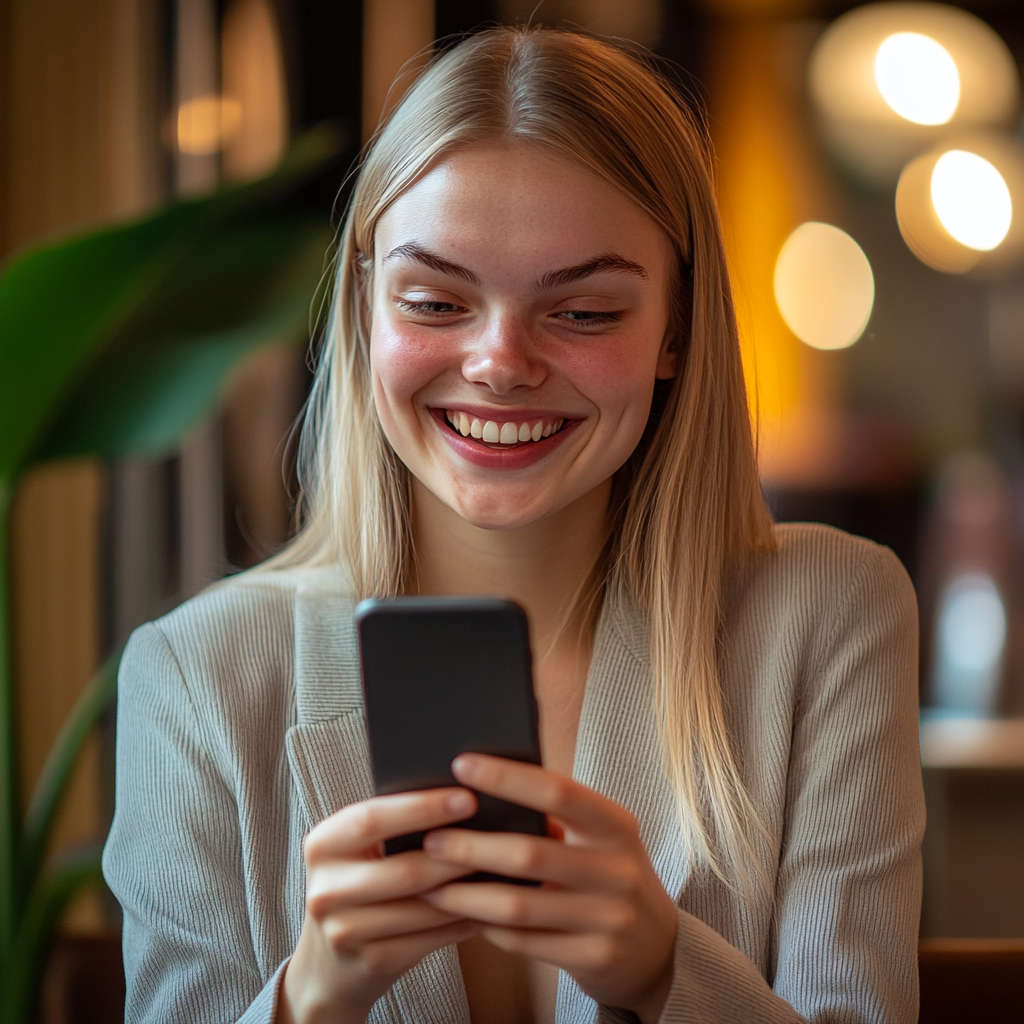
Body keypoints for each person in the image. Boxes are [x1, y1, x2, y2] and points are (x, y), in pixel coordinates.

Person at [102, 26, 925, 1024]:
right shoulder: (194, 675)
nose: (499, 362)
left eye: (582, 313)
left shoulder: (829, 614)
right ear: (364, 312)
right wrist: (308, 998)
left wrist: (667, 969)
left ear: (677, 329)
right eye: (436, 300)